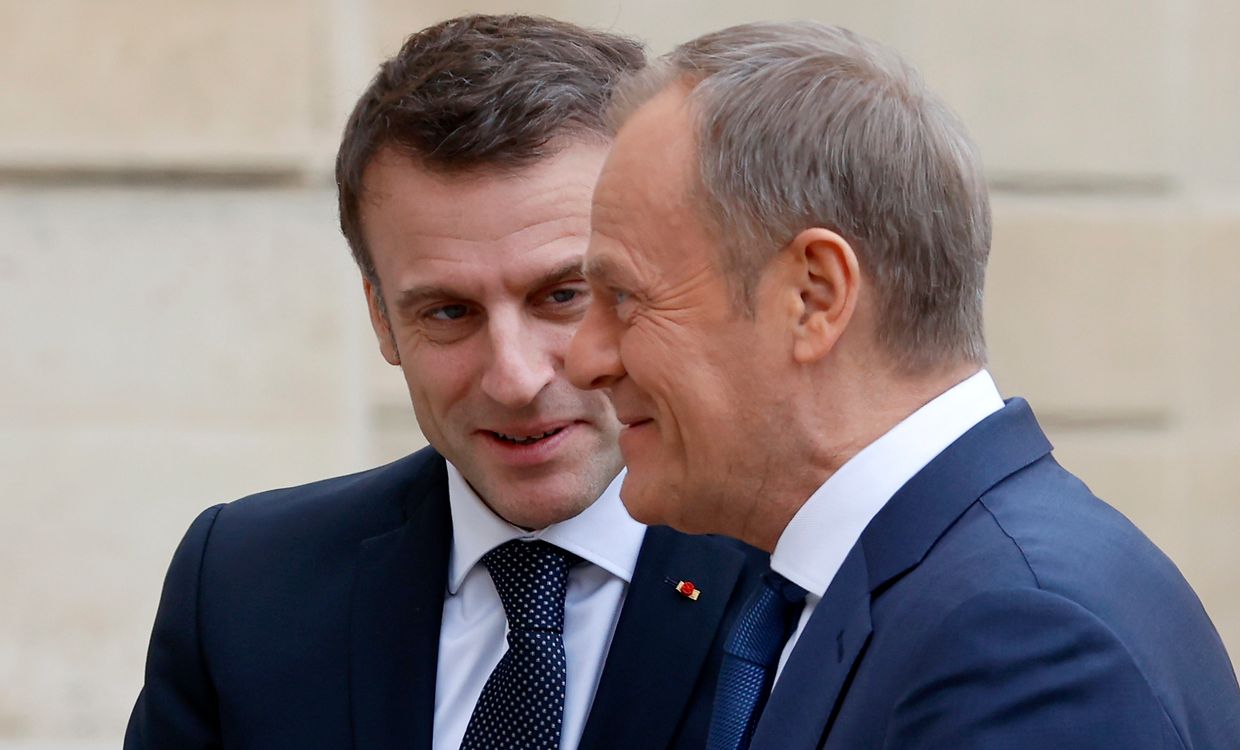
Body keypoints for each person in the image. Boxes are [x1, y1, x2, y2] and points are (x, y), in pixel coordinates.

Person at [567, 20, 1240, 750]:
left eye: (626, 298)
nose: (584, 359)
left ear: (814, 298)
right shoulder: (902, 591)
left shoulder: (1018, 638)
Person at [126, 15, 763, 750]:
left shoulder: (802, 580)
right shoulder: (244, 588)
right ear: (382, 319)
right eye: (450, 312)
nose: (515, 377)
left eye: (564, 294)